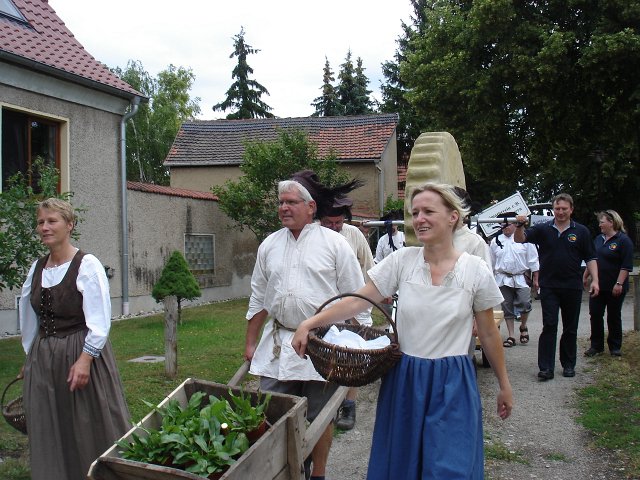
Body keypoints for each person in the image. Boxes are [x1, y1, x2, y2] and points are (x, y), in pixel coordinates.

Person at [292, 182, 512, 479]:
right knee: (402, 466)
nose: (418, 218)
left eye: (428, 211)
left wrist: (504, 384)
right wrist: (310, 323)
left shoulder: (475, 269)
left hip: (453, 382)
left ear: (452, 217)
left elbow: (487, 333)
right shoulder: (402, 261)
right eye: (415, 212)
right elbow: (358, 301)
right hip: (406, 379)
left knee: (450, 467)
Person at [245, 171, 367, 480]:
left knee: (320, 416)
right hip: (279, 342)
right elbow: (258, 297)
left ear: (311, 207)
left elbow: (357, 296)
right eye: (280, 202)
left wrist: (362, 340)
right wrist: (250, 342)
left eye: (291, 202)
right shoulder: (269, 245)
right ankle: (285, 469)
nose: (284, 207)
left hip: (323, 345)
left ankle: (318, 474)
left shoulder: (335, 244)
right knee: (273, 413)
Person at [17, 198, 130, 480]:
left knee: (88, 422)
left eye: (51, 221)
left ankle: (102, 474)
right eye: (41, 222)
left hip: (80, 354)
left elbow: (100, 321)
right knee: (50, 423)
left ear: (70, 225)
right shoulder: (37, 269)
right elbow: (30, 320)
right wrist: (29, 357)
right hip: (44, 359)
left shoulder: (86, 264)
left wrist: (85, 359)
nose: (44, 227)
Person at [515, 193, 599, 380]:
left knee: (570, 327)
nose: (560, 212)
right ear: (553, 209)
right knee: (550, 326)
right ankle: (546, 368)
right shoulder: (543, 229)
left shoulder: (582, 231)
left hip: (572, 286)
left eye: (564, 208)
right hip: (549, 286)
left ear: (571, 209)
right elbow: (520, 239)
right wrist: (520, 225)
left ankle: (568, 365)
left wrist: (595, 280)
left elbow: (591, 257)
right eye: (557, 208)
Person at [320, 200, 374, 431]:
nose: (334, 227)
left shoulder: (353, 235)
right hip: (327, 308)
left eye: (338, 223)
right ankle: (325, 401)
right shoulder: (316, 238)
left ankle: (349, 404)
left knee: (352, 356)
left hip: (352, 303)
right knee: (327, 356)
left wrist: (369, 299)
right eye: (329, 223)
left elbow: (369, 265)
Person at [583, 210, 634, 357]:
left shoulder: (624, 241)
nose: (600, 225)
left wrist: (619, 283)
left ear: (611, 222)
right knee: (595, 314)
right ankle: (596, 346)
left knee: (613, 316)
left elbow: (626, 265)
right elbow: (592, 259)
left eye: (602, 222)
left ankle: (615, 346)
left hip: (615, 287)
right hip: (598, 286)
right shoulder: (598, 239)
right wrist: (586, 275)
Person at [489, 213, 540, 347]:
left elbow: (533, 260)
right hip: (502, 278)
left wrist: (536, 278)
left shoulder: (524, 239)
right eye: (503, 225)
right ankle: (511, 335)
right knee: (507, 306)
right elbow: (491, 263)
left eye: (508, 224)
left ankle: (523, 326)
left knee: (524, 303)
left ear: (515, 224)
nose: (505, 228)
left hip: (521, 277)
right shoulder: (496, 241)